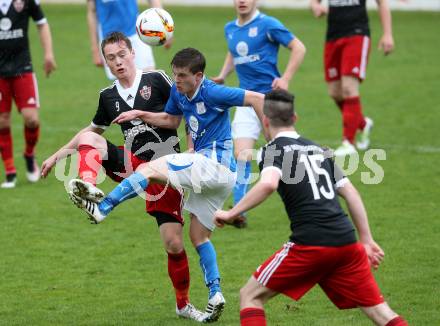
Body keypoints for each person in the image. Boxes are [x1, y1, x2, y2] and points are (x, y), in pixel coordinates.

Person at [69, 47, 265, 323]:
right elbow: (171, 120)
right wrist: (140, 113)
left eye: (182, 76)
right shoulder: (178, 92)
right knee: (199, 237)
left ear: (198, 76)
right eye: (174, 74)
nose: (177, 80)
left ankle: (103, 207)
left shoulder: (213, 92)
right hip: (219, 180)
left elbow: (257, 97)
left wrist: (271, 135)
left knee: (149, 169)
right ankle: (215, 294)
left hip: (212, 164)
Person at [41, 33, 202, 321]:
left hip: (164, 170)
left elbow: (179, 118)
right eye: (111, 58)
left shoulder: (158, 81)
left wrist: (147, 119)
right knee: (92, 138)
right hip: (132, 166)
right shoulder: (108, 96)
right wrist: (56, 156)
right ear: (106, 62)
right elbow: (88, 134)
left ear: (133, 53)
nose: (118, 62)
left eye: (121, 55)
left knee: (173, 244)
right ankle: (88, 187)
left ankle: (183, 304)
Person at [214, 90, 408, 326]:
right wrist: (366, 240)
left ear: (265, 120)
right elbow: (352, 193)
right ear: (294, 118)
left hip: (311, 244)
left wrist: (230, 213)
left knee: (250, 296)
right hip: (347, 242)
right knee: (380, 312)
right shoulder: (319, 149)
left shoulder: (273, 150)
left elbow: (267, 184)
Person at [212, 0, 306, 227]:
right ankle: (238, 211)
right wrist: (223, 74)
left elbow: (299, 47)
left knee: (286, 152)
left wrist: (286, 78)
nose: (242, 1)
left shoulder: (268, 24)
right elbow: (233, 52)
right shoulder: (230, 29)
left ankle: (307, 196)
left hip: (271, 100)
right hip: (245, 100)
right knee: (241, 154)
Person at [310, 0, 394, 156]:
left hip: (357, 34)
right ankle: (362, 123)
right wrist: (315, 7)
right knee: (335, 92)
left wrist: (387, 34)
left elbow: (382, 3)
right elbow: (314, 2)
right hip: (333, 37)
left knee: (349, 88)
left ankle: (348, 142)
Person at [0, 0, 57, 188]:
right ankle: (10, 171)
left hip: (22, 67)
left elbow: (42, 23)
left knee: (31, 119)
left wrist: (48, 54)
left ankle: (29, 154)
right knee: (2, 120)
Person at [87, 0, 172, 80]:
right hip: (110, 41)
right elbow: (92, 11)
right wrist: (95, 49)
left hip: (136, 35)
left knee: (149, 79)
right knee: (124, 85)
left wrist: (165, 27)